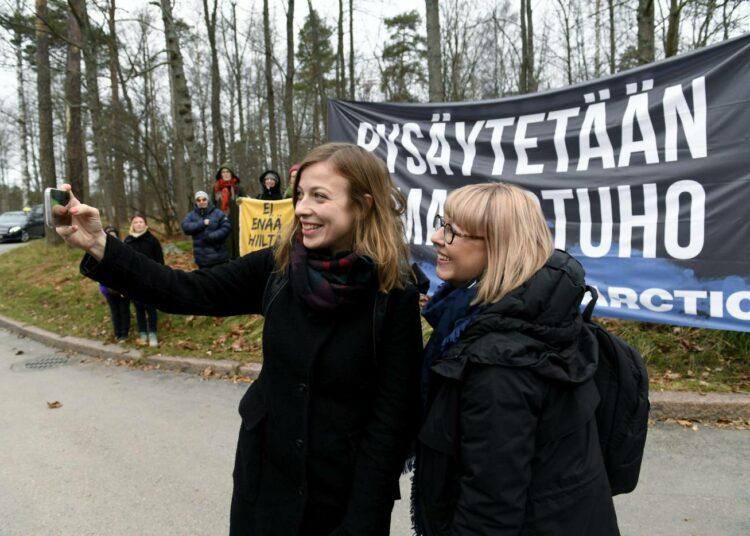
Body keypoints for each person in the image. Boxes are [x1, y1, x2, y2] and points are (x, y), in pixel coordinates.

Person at [55, 143, 423, 536]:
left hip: (343, 501)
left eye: (320, 196)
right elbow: (185, 290)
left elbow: (392, 421)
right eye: (300, 195)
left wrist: (363, 519)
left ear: (362, 205)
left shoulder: (393, 294)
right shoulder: (278, 266)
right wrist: (99, 245)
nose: (301, 209)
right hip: (265, 487)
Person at [413, 182, 620, 535]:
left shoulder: (500, 362)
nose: (436, 237)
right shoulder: (539, 312)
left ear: (499, 246)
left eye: (453, 231)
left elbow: (490, 508)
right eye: (440, 223)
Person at [124, 214, 164, 347]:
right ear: (132, 225)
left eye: (141, 222)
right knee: (139, 307)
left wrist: (159, 277)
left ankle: (152, 333)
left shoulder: (152, 240)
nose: (139, 224)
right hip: (134, 280)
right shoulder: (127, 241)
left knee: (151, 307)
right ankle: (143, 333)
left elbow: (160, 261)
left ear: (145, 224)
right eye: (136, 222)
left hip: (150, 279)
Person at [181, 190, 232, 269]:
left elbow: (226, 227)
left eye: (204, 199)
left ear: (208, 200)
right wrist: (202, 223)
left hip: (219, 257)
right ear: (196, 202)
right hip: (202, 260)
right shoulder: (191, 215)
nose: (201, 202)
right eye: (198, 200)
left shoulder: (218, 213)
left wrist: (212, 236)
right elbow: (185, 227)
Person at [99, 225, 130, 343]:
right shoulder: (101, 250)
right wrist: (103, 288)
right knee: (115, 311)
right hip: (109, 288)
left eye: (113, 235)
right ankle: (117, 333)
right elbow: (99, 272)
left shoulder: (124, 249)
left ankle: (124, 333)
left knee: (124, 310)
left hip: (123, 287)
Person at [214, 164, 246, 260]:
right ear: (220, 174)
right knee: (225, 245)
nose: (226, 174)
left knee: (238, 245)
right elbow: (212, 204)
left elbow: (246, 203)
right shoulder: (216, 188)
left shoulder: (238, 188)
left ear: (232, 174)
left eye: (228, 172)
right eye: (223, 172)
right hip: (222, 220)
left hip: (237, 221)